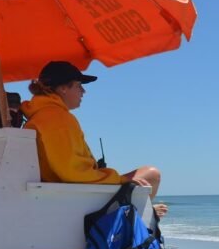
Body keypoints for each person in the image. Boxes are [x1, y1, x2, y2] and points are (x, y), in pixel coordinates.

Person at [20, 61, 168, 217]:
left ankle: (143, 213)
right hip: (75, 197)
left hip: (59, 191)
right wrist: (120, 179)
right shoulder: (57, 118)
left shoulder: (39, 115)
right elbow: (72, 173)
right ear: (63, 88)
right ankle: (140, 217)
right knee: (152, 174)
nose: (83, 91)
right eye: (78, 86)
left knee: (144, 177)